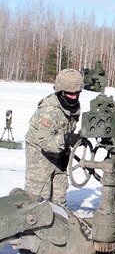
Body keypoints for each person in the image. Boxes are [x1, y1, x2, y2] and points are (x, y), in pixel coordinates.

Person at [24, 68, 84, 207]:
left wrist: (79, 136)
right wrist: (66, 139)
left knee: (59, 196)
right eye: (70, 94)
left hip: (60, 153)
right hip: (40, 155)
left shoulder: (74, 106)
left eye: (77, 94)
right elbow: (44, 142)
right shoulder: (49, 111)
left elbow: (69, 126)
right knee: (37, 200)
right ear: (60, 92)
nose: (74, 97)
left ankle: (61, 223)